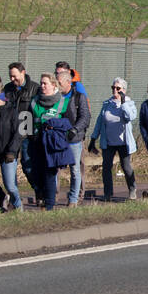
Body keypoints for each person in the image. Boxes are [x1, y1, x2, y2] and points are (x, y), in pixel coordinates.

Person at [29, 73, 76, 210]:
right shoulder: (34, 101)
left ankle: (49, 205)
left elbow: (70, 123)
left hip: (53, 144)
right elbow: (27, 120)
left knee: (50, 174)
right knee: (35, 172)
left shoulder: (63, 102)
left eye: (45, 83)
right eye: (41, 83)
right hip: (37, 142)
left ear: (53, 85)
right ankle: (41, 195)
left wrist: (60, 135)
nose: (42, 86)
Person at [87, 77, 138, 201]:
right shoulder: (107, 104)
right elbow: (100, 121)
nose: (115, 90)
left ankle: (132, 189)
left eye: (118, 88)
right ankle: (108, 193)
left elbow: (130, 117)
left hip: (123, 142)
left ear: (124, 90)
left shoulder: (129, 104)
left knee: (126, 167)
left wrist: (123, 102)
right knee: (106, 167)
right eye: (113, 88)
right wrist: (93, 139)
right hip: (108, 142)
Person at [54, 63, 90, 206]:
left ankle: (74, 198)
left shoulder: (78, 97)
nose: (58, 86)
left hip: (74, 139)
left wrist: (75, 130)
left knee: (75, 170)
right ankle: (53, 196)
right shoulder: (56, 97)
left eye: (60, 83)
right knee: (55, 169)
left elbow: (85, 116)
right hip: (58, 139)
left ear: (68, 82)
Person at [6, 62, 40, 200]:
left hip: (26, 133)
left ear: (23, 73)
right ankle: (13, 198)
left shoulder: (34, 89)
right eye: (10, 77)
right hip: (11, 134)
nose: (12, 80)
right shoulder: (8, 89)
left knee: (28, 165)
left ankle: (39, 190)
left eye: (14, 76)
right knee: (9, 165)